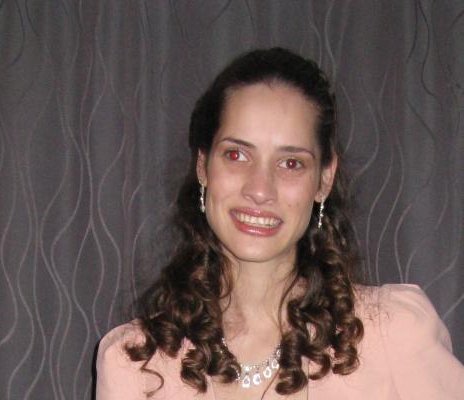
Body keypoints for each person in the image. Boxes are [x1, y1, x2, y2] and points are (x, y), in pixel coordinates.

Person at [96, 48, 464, 399]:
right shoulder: (136, 364)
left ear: (324, 179)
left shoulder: (393, 334)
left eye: (291, 163)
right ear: (202, 167)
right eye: (237, 155)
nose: (260, 189)